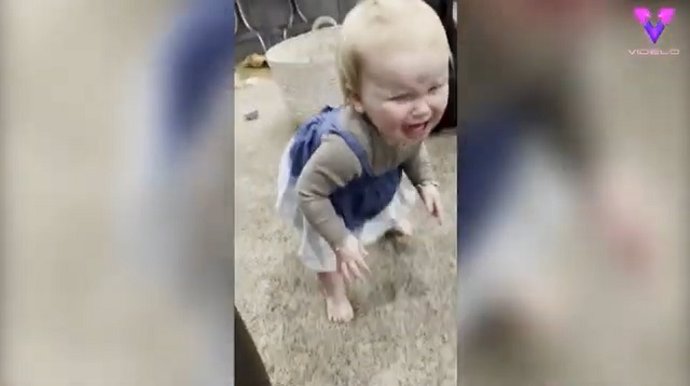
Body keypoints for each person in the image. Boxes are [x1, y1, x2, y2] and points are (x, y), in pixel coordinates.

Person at [276, 0, 449, 323]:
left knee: (386, 194)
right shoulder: (342, 150)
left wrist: (425, 181)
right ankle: (333, 292)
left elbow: (412, 148)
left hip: (373, 168)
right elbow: (309, 193)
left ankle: (386, 220)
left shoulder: (407, 125)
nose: (424, 109)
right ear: (356, 98)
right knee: (326, 250)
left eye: (435, 87)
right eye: (401, 96)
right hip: (321, 186)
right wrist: (341, 240)